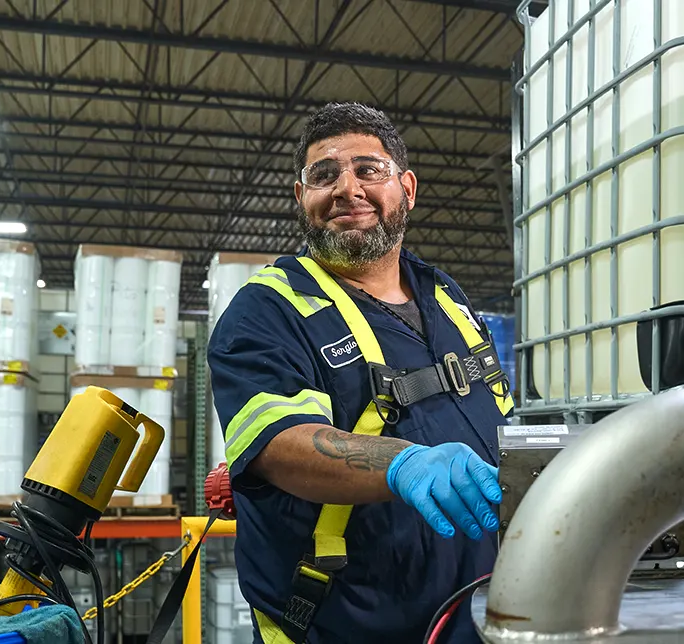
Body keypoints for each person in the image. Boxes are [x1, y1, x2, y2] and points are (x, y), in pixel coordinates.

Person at [208, 102, 514, 644]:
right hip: (345, 625)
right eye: (324, 175)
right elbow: (276, 444)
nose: (347, 189)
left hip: (473, 615)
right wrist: (403, 464)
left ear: (407, 189)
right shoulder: (268, 310)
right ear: (301, 196)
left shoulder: (444, 295)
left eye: (369, 170)